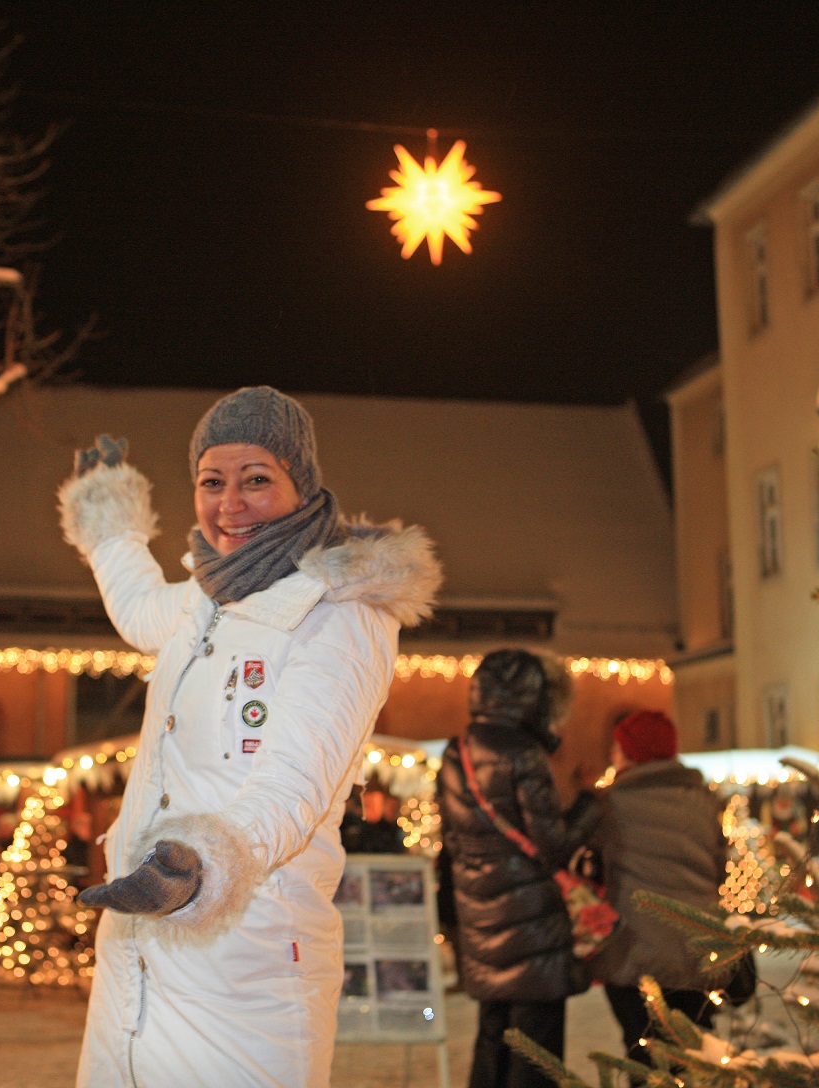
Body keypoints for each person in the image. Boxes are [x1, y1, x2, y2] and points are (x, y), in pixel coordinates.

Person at [58, 386, 441, 1087]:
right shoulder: (207, 595)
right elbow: (143, 610)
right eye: (211, 482)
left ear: (302, 486)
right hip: (141, 954)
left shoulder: (339, 612)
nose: (229, 504)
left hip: (252, 963)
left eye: (256, 480)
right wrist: (108, 520)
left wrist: (198, 862)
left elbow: (295, 779)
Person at [436, 649, 598, 1088]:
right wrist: (588, 806)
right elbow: (554, 845)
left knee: (493, 1038)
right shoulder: (523, 754)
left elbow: (452, 840)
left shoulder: (457, 752)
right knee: (535, 1052)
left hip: (482, 922)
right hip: (531, 929)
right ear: (533, 698)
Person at [588, 710, 726, 1064]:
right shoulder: (705, 800)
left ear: (632, 754)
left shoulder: (610, 804)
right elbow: (719, 870)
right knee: (694, 1057)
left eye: (618, 749)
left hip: (634, 949)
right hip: (697, 949)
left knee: (644, 1055)